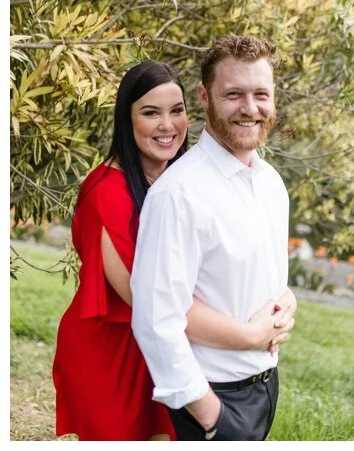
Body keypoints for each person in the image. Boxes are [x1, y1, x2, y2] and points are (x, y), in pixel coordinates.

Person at [52, 61, 294, 441]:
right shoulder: (106, 193)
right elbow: (147, 301)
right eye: (151, 112)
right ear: (126, 119)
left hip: (173, 357)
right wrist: (251, 335)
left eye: (176, 111)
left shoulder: (185, 180)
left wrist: (282, 303)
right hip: (116, 358)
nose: (168, 125)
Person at [131, 35, 297, 441]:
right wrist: (210, 415)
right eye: (234, 94)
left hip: (265, 385)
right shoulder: (178, 194)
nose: (250, 108)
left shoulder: (271, 184)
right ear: (204, 97)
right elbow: (155, 317)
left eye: (261, 94)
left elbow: (260, 278)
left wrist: (286, 300)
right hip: (212, 400)